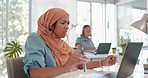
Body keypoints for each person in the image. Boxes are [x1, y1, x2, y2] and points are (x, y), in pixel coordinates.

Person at [23, 8, 116, 78]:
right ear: (50, 25)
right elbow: (34, 73)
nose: (67, 27)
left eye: (68, 23)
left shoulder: (62, 44)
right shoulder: (35, 39)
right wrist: (64, 68)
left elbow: (79, 64)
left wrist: (102, 62)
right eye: (63, 23)